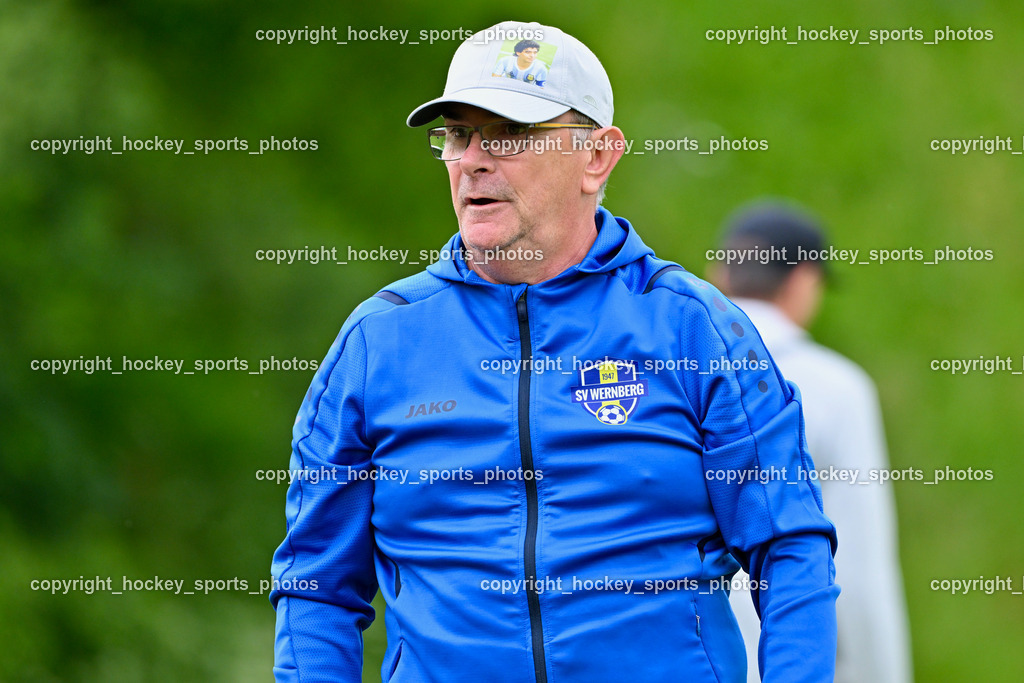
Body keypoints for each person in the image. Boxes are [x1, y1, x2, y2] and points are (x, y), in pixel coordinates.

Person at [270, 21, 839, 683]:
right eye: (457, 134)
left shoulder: (694, 328)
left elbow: (791, 547)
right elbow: (315, 586)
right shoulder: (378, 342)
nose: (473, 159)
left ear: (598, 156)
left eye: (509, 134)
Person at [710, 201, 914, 683]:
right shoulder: (839, 388)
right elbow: (861, 569)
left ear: (718, 272)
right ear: (803, 279)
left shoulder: (671, 375)